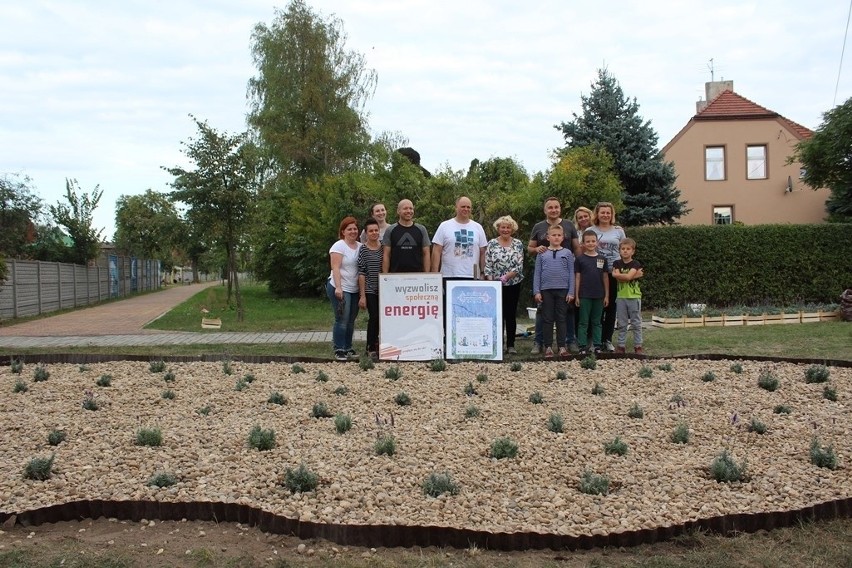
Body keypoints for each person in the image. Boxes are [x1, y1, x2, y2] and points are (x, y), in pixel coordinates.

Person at [528, 197, 581, 354]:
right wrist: (537, 249)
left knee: (565, 316)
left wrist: (581, 266)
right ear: (545, 210)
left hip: (564, 286)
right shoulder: (538, 227)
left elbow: (577, 248)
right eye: (550, 207)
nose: (553, 209)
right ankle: (543, 344)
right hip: (545, 287)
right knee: (544, 316)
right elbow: (531, 249)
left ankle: (566, 343)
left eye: (556, 207)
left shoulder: (569, 226)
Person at [533, 224, 575, 358]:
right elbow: (537, 273)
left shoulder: (567, 253)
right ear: (548, 237)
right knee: (547, 319)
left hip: (563, 290)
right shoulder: (542, 253)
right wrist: (536, 291)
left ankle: (562, 346)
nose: (556, 238)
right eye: (553, 235)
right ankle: (548, 347)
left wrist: (571, 292)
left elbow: (571, 273)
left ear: (563, 237)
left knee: (562, 318)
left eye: (559, 235)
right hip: (546, 290)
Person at [484, 215, 524, 354]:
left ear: (512, 228)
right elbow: (488, 264)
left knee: (510, 314)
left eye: (508, 227)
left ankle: (511, 345)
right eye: (503, 227)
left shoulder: (518, 244)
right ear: (498, 228)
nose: (505, 230)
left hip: (513, 283)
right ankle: (498, 344)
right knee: (497, 315)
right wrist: (490, 282)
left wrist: (506, 277)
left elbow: (519, 265)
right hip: (494, 285)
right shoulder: (492, 243)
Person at [591, 202, 626, 352]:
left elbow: (625, 250)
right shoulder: (590, 230)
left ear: (612, 215)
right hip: (596, 274)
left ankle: (607, 339)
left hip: (614, 273)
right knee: (597, 308)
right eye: (602, 212)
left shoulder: (619, 231)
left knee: (611, 308)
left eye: (608, 212)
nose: (605, 215)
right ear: (597, 214)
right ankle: (596, 339)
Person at [326, 216, 362, 361]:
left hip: (354, 288)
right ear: (343, 231)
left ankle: (348, 347)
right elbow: (335, 267)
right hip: (340, 286)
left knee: (351, 319)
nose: (353, 231)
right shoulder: (339, 246)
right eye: (349, 229)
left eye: (355, 229)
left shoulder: (360, 246)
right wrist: (339, 288)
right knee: (342, 318)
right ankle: (339, 348)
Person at [431, 196, 487, 278]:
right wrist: (434, 275)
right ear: (456, 208)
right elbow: (436, 251)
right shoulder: (444, 226)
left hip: (472, 276)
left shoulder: (478, 227)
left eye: (468, 207)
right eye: (463, 206)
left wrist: (482, 273)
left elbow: (483, 252)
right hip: (449, 276)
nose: (466, 209)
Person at [574, 229, 609, 355]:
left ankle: (597, 345)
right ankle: (582, 346)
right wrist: (577, 295)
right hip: (584, 295)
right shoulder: (579, 259)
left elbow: (605, 277)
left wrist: (607, 295)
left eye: (593, 241)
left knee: (597, 322)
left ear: (597, 243)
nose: (590, 243)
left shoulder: (602, 259)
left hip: (599, 295)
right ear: (582, 243)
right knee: (583, 322)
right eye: (587, 241)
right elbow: (577, 277)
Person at [612, 237, 644, 354]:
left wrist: (619, 276)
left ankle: (638, 345)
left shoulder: (635, 263)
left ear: (633, 251)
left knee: (636, 322)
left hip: (634, 297)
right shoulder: (617, 263)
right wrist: (631, 276)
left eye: (628, 249)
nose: (625, 251)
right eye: (623, 249)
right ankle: (621, 345)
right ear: (619, 250)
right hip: (621, 297)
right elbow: (619, 276)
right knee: (622, 322)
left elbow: (626, 277)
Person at [358, 217, 384, 360]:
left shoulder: (384, 248)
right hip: (369, 289)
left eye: (376, 230)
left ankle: (379, 344)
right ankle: (370, 347)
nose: (374, 233)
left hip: (384, 289)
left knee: (382, 318)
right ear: (366, 233)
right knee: (374, 316)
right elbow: (361, 273)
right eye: (371, 231)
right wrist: (362, 296)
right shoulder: (363, 249)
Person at [382, 199, 431, 273]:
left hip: (417, 276)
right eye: (405, 208)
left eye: (411, 208)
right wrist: (385, 276)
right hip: (395, 275)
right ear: (398, 211)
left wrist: (427, 275)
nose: (409, 211)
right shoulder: (390, 230)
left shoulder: (421, 229)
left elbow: (426, 253)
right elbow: (386, 255)